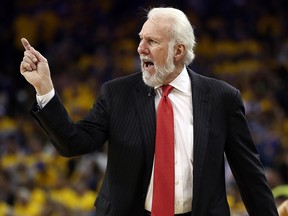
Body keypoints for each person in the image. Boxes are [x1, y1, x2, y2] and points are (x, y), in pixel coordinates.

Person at [20, 6, 278, 216]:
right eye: (141, 38)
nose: (140, 48)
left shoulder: (223, 97)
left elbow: (249, 174)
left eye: (152, 41)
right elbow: (73, 144)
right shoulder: (116, 93)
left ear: (178, 50)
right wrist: (44, 88)